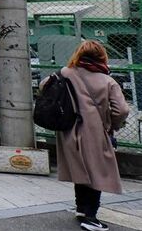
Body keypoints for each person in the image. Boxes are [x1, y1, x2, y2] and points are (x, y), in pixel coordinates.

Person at [43, 40, 129, 231]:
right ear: (102, 56)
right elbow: (122, 110)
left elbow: (44, 85)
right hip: (95, 132)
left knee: (80, 169)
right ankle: (91, 217)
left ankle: (81, 208)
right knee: (96, 172)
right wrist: (112, 125)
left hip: (68, 130)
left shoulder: (65, 72)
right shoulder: (107, 81)